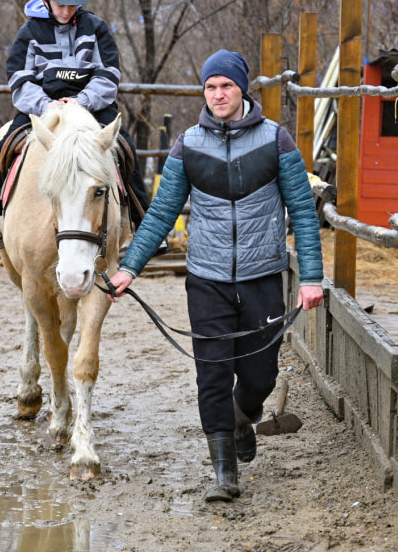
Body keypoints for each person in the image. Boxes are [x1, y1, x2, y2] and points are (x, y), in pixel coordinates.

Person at [108, 49, 325, 503]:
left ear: (241, 88)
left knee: (260, 376)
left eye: (226, 85)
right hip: (206, 278)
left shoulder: (276, 141)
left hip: (263, 274)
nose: (218, 94)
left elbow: (303, 211)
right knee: (211, 374)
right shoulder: (188, 145)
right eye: (210, 87)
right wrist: (130, 267)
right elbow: (162, 213)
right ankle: (224, 474)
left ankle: (244, 416)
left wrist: (311, 277)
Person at [0, 0, 149, 258]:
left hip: (91, 105)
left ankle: (141, 221)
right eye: (61, 4)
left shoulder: (96, 28)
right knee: (5, 146)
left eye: (72, 5)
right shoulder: (29, 32)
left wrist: (84, 101)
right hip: (43, 106)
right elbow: (19, 77)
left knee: (125, 147)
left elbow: (109, 74)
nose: (66, 11)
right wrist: (45, 105)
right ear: (46, 0)